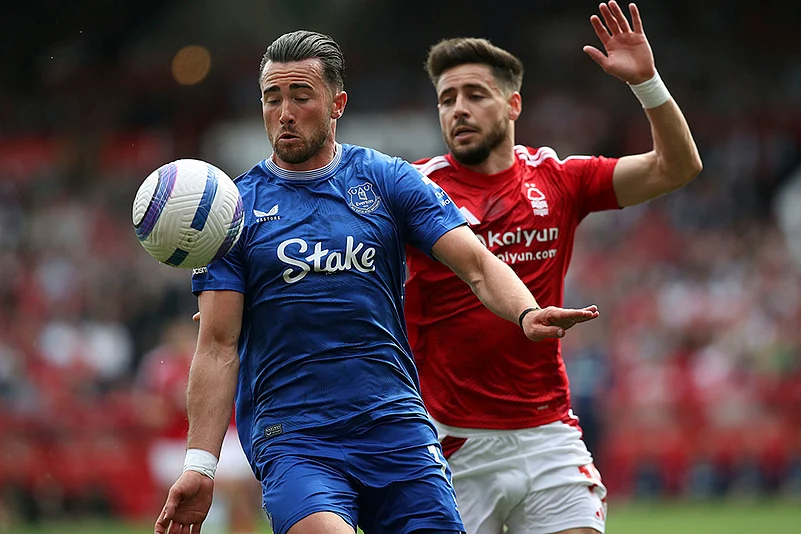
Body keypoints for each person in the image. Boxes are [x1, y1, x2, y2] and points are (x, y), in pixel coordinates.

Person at [153, 30, 601, 534]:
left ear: (337, 103)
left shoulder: (386, 179)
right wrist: (200, 465)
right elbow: (217, 345)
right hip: (295, 437)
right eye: (272, 98)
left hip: (397, 428)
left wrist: (525, 311)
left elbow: (475, 262)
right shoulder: (233, 211)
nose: (284, 112)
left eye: (301, 96)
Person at [405, 3, 703, 534]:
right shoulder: (413, 190)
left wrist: (648, 83)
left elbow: (676, 167)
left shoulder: (558, 178)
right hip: (450, 442)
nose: (458, 109)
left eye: (475, 94)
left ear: (513, 103)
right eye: (446, 99)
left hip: (548, 435)